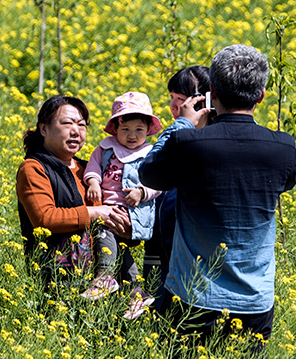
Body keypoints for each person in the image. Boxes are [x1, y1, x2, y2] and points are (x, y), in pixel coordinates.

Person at [140, 45, 296, 355]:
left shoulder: (190, 143)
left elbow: (149, 174)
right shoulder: (283, 147)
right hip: (254, 299)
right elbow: (287, 181)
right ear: (262, 95)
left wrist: (183, 124)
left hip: (192, 297)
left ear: (212, 91)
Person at [15, 95, 130, 293]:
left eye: (82, 125)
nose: (76, 131)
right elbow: (44, 218)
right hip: (58, 283)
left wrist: (128, 228)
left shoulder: (91, 171)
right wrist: (96, 213)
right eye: (67, 123)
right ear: (44, 129)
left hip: (105, 287)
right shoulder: (34, 168)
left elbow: (113, 212)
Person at [128, 65, 212, 292]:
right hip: (160, 245)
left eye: (182, 99)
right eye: (172, 98)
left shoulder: (208, 142)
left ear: (203, 102)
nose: (175, 106)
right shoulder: (176, 135)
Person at [81, 91, 161, 315]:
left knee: (103, 235)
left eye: (139, 130)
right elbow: (93, 167)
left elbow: (159, 182)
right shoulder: (106, 148)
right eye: (125, 129)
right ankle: (137, 295)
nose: (132, 135)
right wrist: (94, 183)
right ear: (115, 129)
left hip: (133, 214)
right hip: (107, 207)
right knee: (119, 250)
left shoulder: (150, 153)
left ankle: (105, 277)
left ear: (148, 130)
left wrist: (142, 192)